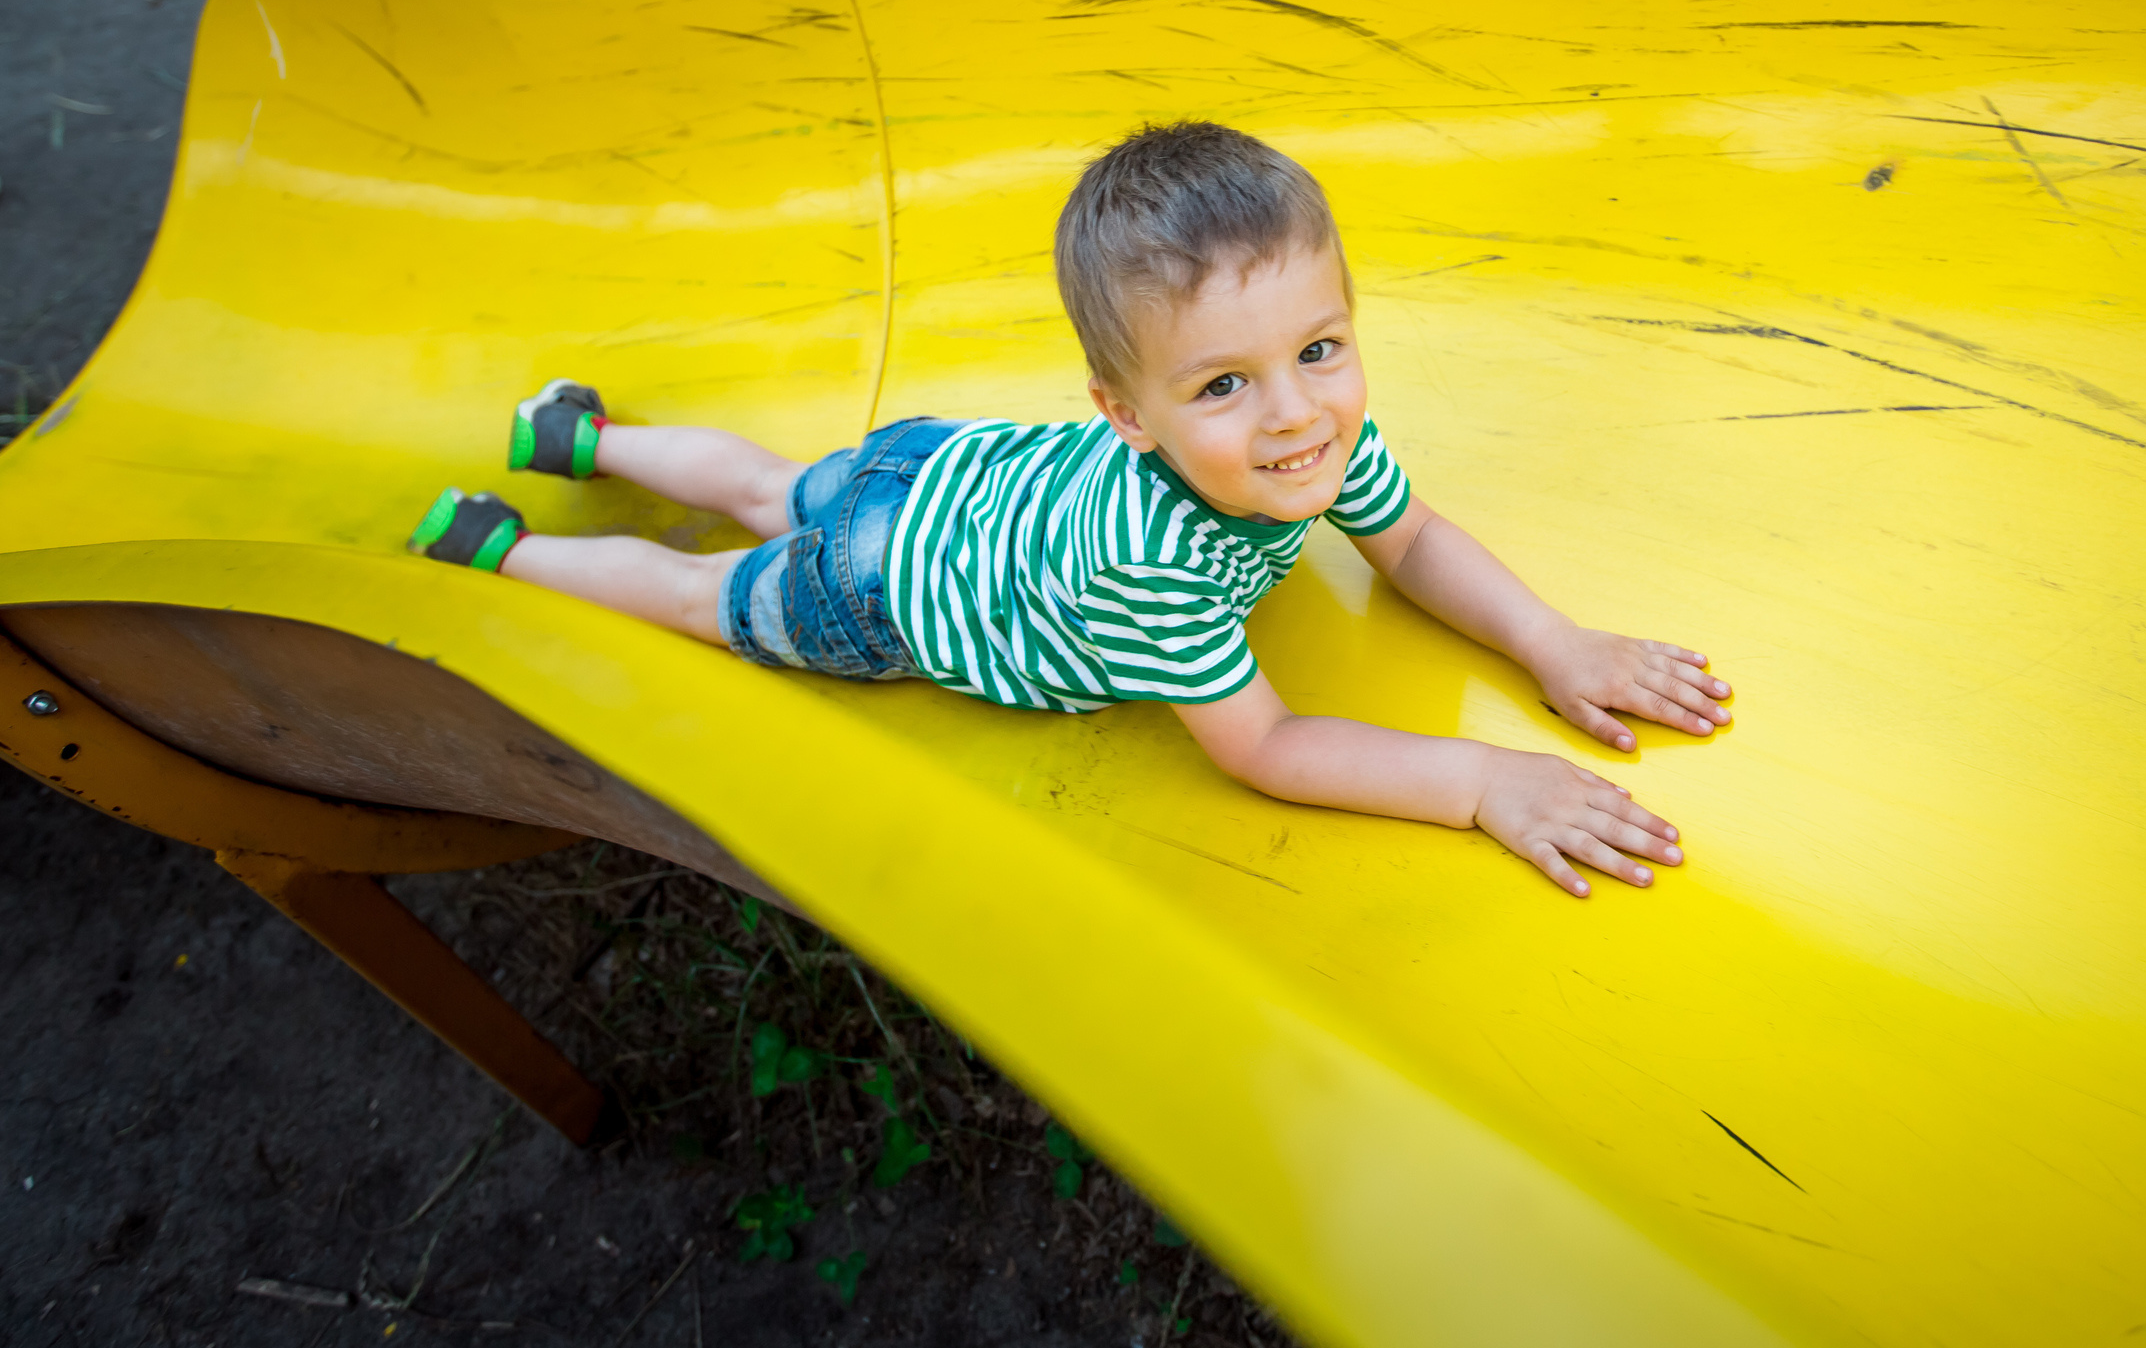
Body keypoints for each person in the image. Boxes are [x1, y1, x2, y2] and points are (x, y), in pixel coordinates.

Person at [405, 123, 1732, 895]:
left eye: (1319, 349)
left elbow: (1418, 538)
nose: (1293, 414)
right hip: (879, 592)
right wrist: (1482, 778)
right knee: (706, 591)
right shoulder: (1154, 568)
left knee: (763, 481)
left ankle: (585, 434)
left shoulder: (1313, 444)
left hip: (932, 472)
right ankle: (507, 549)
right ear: (1128, 412)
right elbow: (1263, 747)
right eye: (1224, 382)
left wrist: (1552, 645)